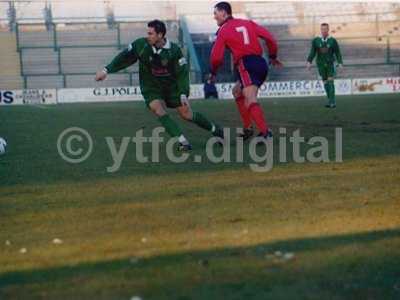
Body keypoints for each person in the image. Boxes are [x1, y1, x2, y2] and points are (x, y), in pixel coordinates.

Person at [95, 20, 224, 151]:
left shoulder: (174, 50)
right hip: (151, 86)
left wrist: (184, 93)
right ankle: (182, 141)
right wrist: (106, 70)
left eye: (151, 33)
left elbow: (182, 73)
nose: (148, 36)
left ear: (160, 35)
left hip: (171, 87)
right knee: (157, 108)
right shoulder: (141, 45)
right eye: (148, 33)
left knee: (186, 114)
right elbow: (124, 57)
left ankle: (215, 129)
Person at [210, 2, 283, 141]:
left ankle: (266, 133)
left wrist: (213, 72)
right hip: (261, 63)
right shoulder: (247, 23)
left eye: (215, 13)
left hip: (246, 64)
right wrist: (273, 56)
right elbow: (270, 38)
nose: (214, 17)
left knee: (250, 98)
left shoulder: (223, 30)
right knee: (237, 91)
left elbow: (216, 57)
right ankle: (248, 128)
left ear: (224, 13)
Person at [307, 23, 343, 108]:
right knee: (325, 82)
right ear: (320, 30)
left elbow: (337, 52)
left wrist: (340, 62)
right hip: (320, 64)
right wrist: (309, 61)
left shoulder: (332, 41)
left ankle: (332, 102)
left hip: (330, 64)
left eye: (325, 29)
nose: (323, 31)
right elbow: (312, 52)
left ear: (328, 30)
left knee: (330, 81)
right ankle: (330, 100)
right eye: (322, 29)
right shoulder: (316, 40)